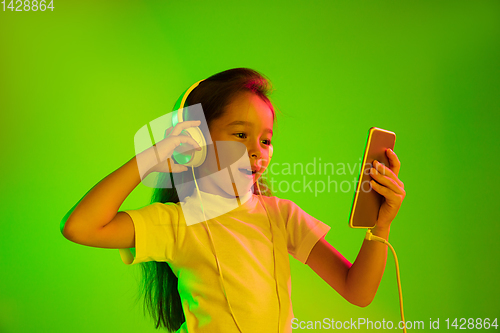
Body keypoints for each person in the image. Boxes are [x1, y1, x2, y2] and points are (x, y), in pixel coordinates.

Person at [61, 68, 406, 333]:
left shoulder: (281, 216)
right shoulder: (175, 222)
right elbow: (81, 227)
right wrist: (155, 155)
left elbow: (357, 292)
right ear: (195, 139)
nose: (258, 150)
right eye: (240, 135)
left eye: (266, 140)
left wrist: (381, 223)